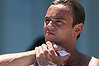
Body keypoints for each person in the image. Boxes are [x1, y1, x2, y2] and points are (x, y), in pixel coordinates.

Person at [0, 0, 99, 66]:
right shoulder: (36, 58)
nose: (49, 25)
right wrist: (35, 54)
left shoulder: (91, 63)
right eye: (47, 20)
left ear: (77, 29)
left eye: (59, 21)